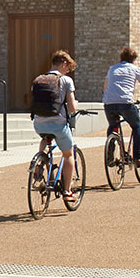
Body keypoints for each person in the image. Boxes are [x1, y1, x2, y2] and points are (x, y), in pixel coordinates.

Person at [30, 49, 83, 205]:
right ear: (64, 64)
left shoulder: (39, 79)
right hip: (58, 124)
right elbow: (72, 107)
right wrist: (77, 105)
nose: (68, 71)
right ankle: (67, 191)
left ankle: (40, 163)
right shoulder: (66, 80)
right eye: (68, 68)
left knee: (45, 140)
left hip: (39, 124)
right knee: (68, 154)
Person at [102, 46, 140, 165]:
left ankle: (109, 156)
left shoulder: (112, 68)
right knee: (136, 127)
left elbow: (105, 88)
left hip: (109, 103)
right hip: (126, 103)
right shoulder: (135, 69)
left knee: (113, 126)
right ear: (133, 59)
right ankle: (138, 157)